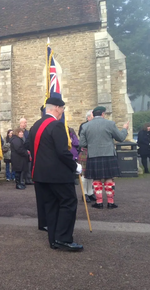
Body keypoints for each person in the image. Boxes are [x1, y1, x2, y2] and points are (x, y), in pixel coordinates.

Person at [29, 97, 83, 251]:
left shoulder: (35, 126)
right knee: (68, 203)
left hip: (41, 174)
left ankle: (53, 239)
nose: (62, 112)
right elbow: (62, 152)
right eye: (63, 109)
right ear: (57, 108)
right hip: (58, 175)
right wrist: (75, 166)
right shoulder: (56, 125)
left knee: (51, 206)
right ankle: (64, 238)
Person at [79, 106, 129, 209]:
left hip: (93, 156)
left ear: (93, 114)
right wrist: (125, 129)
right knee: (109, 178)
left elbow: (82, 144)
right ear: (103, 114)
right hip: (109, 154)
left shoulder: (85, 126)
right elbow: (120, 138)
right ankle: (110, 202)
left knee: (96, 179)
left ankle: (99, 202)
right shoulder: (110, 124)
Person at [78, 110, 96, 203]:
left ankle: (90, 192)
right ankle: (84, 193)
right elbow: (82, 140)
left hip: (93, 151)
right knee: (84, 174)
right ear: (88, 117)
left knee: (91, 174)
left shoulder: (95, 125)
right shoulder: (83, 126)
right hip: (85, 151)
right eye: (93, 116)